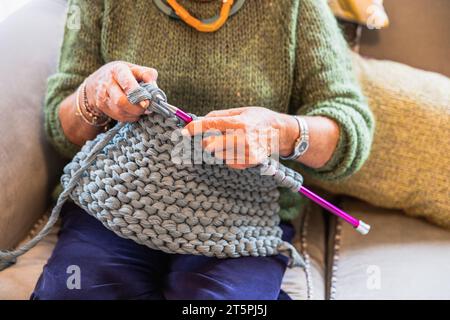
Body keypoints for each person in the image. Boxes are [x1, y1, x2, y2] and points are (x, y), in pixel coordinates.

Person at [33, 0, 374, 299]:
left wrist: (278, 132)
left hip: (242, 218)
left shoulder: (296, 7)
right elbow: (61, 131)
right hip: (116, 203)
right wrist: (95, 95)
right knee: (74, 290)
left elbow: (349, 131)